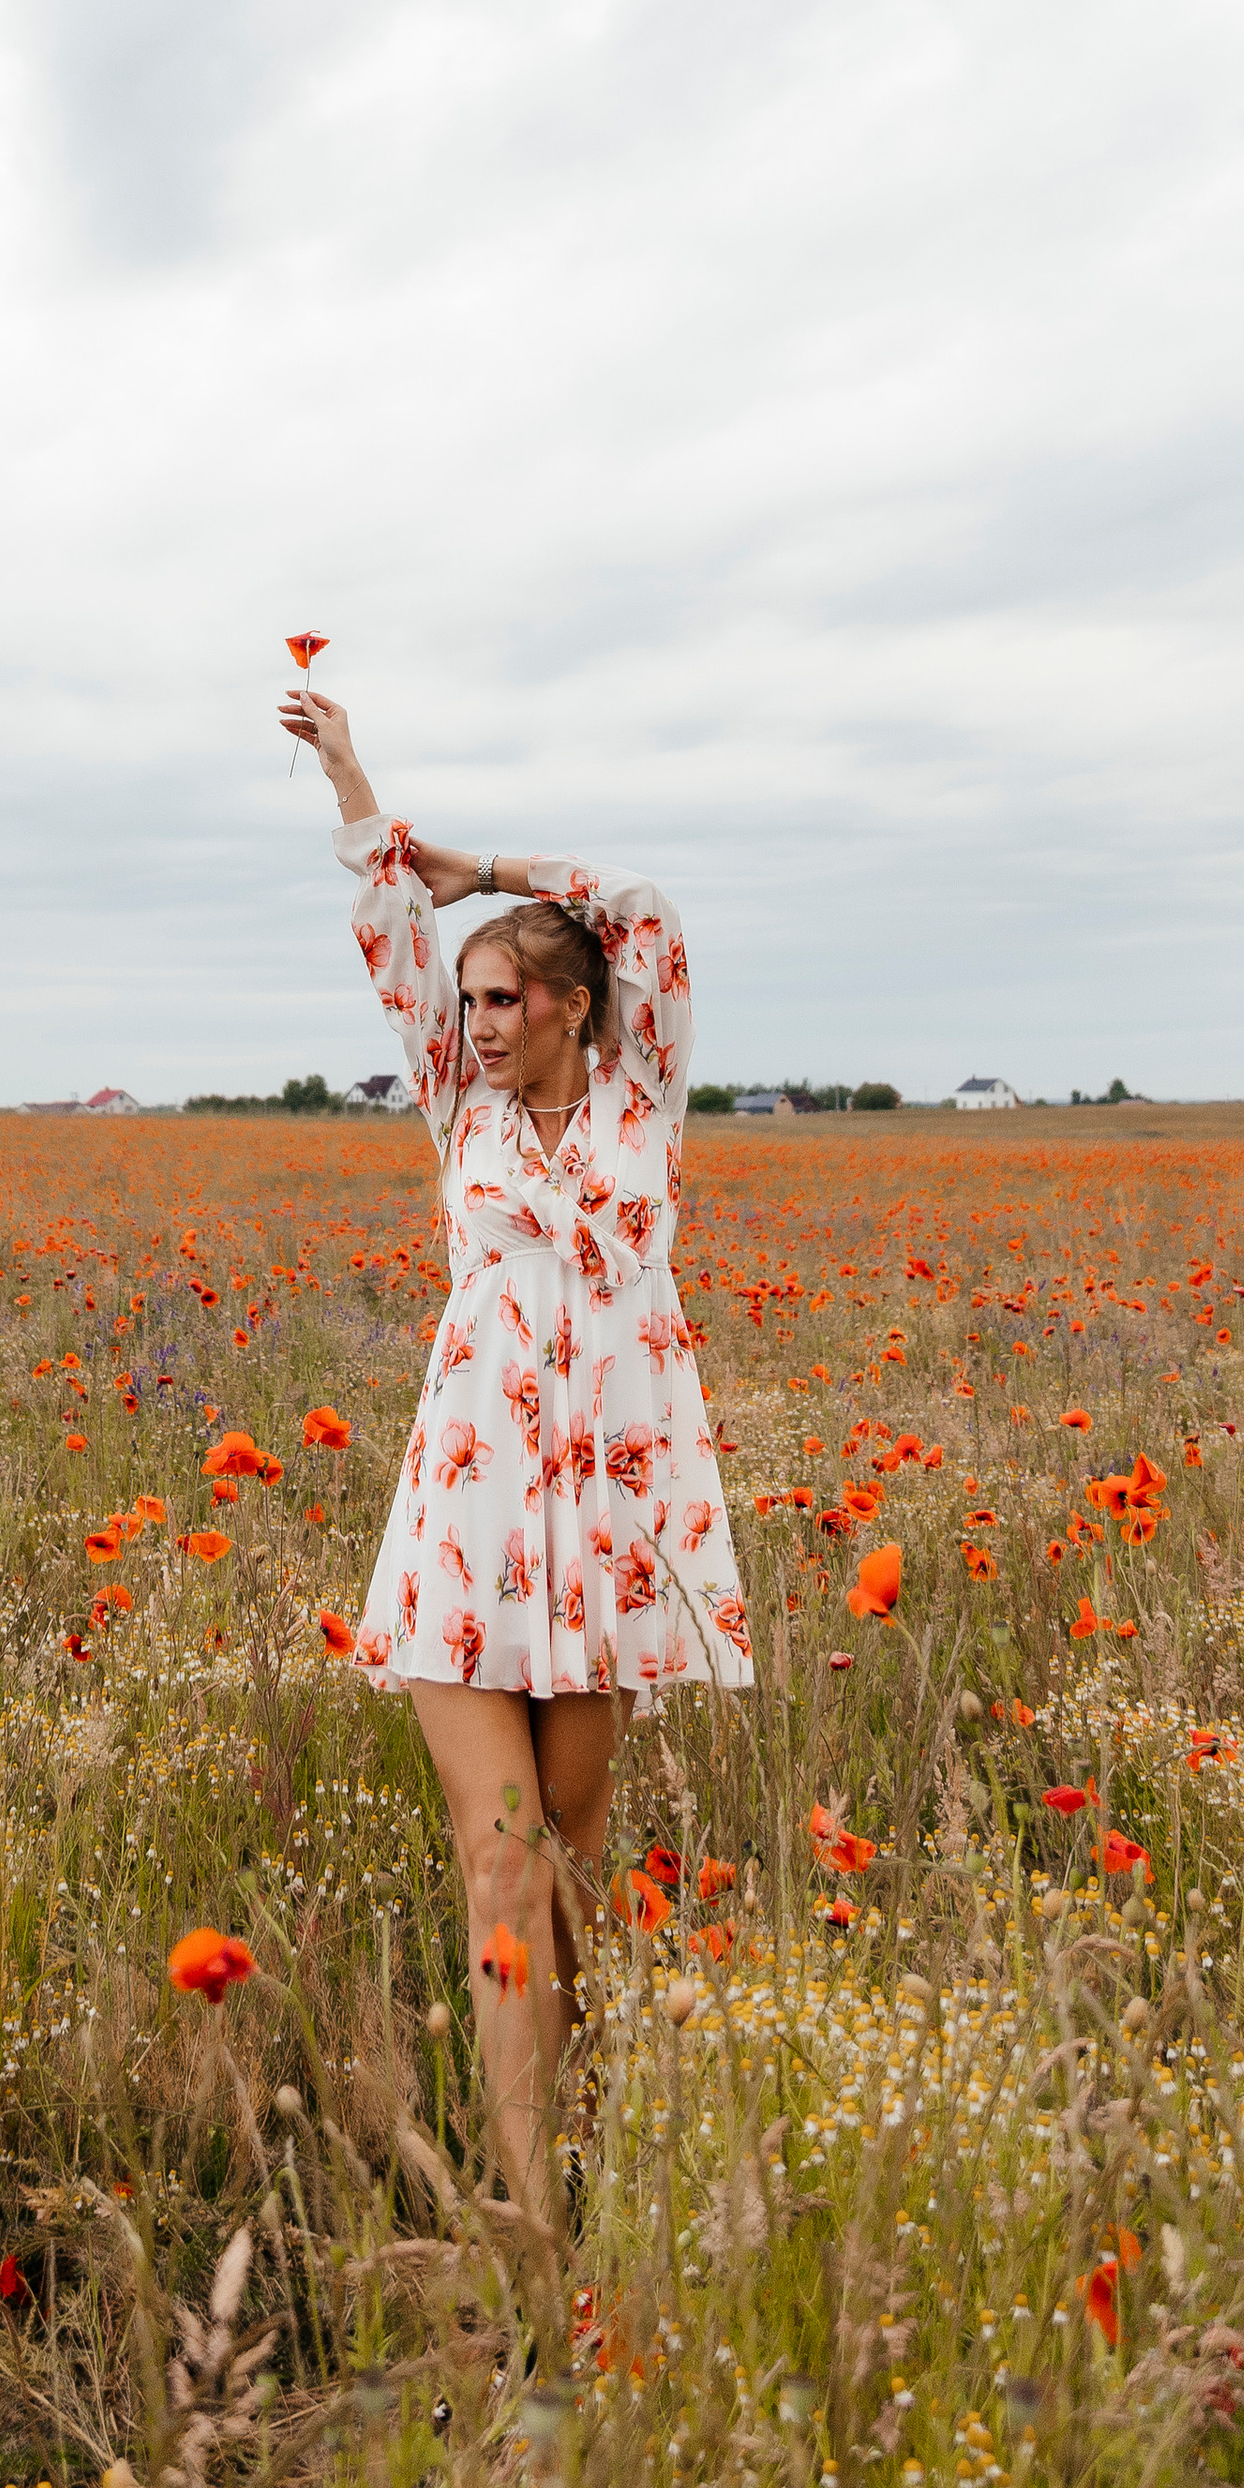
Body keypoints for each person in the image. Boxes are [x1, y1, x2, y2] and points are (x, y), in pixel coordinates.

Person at [280, 678, 752, 2230]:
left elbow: (641, 904)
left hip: (614, 1527)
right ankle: (530, 2220)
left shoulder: (644, 1099)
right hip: (472, 1523)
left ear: (568, 1005)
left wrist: (472, 867)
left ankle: (600, 2154)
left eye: (499, 1003)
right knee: (500, 1868)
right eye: (462, 1004)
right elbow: (380, 930)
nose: (472, 1026)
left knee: (579, 1858)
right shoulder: (454, 1108)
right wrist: (356, 780)